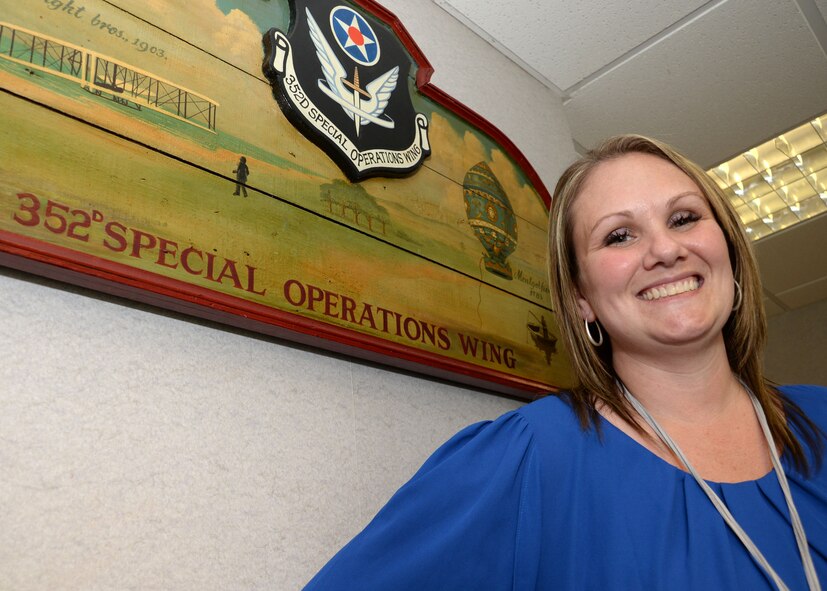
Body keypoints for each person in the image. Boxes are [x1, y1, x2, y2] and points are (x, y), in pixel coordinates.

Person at [303, 135, 826, 590]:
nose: (666, 249)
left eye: (684, 218)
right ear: (582, 300)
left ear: (728, 250)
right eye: (619, 235)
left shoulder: (819, 417)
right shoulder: (528, 458)